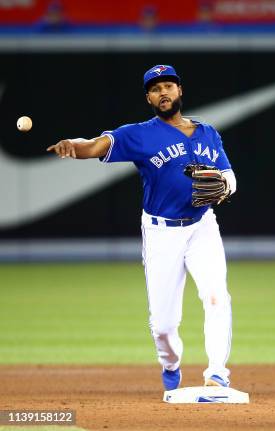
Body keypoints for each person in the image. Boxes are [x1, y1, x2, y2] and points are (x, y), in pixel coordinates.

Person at [47, 65, 237, 391]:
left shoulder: (208, 132)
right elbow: (94, 145)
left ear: (180, 91)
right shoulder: (139, 134)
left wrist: (225, 186)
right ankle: (170, 363)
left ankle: (217, 372)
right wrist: (72, 146)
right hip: (162, 232)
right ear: (149, 97)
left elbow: (228, 176)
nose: (163, 92)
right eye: (155, 88)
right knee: (163, 324)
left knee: (217, 296)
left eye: (168, 85)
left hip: (202, 225)